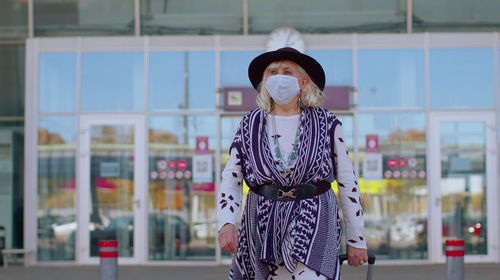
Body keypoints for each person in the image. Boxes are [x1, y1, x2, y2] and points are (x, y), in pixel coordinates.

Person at [217, 47, 368, 280]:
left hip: (316, 222)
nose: (278, 77)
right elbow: (232, 177)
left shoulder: (327, 123)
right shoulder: (250, 123)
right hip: (261, 225)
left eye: (287, 71)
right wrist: (226, 222)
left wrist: (357, 238)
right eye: (272, 72)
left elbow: (348, 181)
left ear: (304, 82)